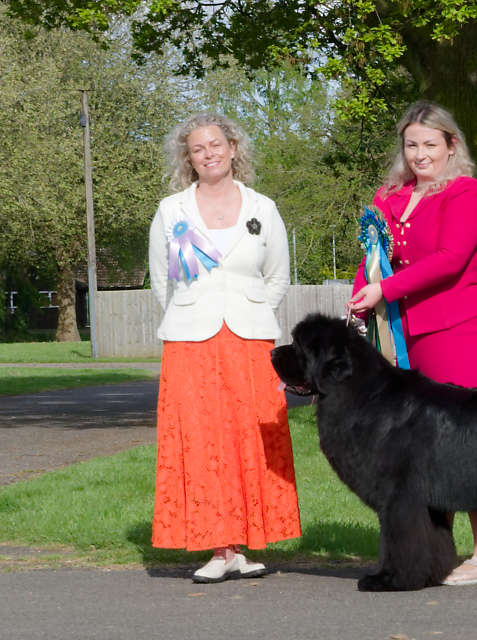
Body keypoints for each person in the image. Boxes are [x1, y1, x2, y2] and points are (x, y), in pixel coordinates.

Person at [347, 100, 477, 586]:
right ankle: (435, 555)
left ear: (451, 145)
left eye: (430, 145)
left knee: (472, 445)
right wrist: (359, 300)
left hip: (465, 333)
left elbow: (449, 259)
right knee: (425, 454)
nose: (420, 154)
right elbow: (374, 257)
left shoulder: (467, 193)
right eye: (412, 144)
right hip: (406, 337)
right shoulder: (389, 195)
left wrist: (384, 290)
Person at [146, 113, 301, 583]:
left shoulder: (263, 207)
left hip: (250, 339)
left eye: (216, 144)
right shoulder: (172, 211)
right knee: (200, 440)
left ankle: (245, 545)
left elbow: (277, 276)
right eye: (198, 148)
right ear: (188, 159)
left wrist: (252, 311)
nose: (209, 153)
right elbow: (161, 281)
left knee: (248, 438)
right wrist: (194, 310)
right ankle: (218, 549)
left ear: (234, 148)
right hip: (190, 340)